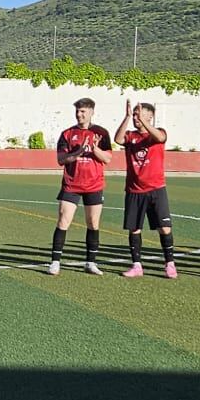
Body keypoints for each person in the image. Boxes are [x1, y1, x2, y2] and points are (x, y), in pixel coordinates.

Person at [50, 97, 112, 275]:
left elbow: (107, 158)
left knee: (93, 223)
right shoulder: (67, 134)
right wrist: (79, 151)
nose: (79, 114)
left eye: (83, 111)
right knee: (63, 221)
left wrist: (94, 148)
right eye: (77, 111)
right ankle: (55, 262)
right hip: (72, 185)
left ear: (92, 112)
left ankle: (90, 262)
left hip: (94, 185)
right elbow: (61, 160)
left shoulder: (101, 133)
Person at [118, 101, 176, 279]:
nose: (137, 118)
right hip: (135, 190)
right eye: (135, 115)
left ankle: (170, 264)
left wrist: (145, 123)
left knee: (164, 228)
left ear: (150, 116)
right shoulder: (130, 136)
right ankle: (136, 265)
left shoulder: (158, 133)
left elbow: (160, 138)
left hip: (156, 189)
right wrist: (127, 117)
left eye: (139, 115)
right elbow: (118, 140)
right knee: (134, 229)